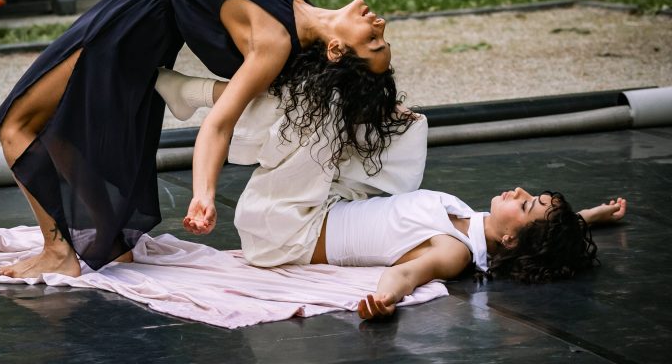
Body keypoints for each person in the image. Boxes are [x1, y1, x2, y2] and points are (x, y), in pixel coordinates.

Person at [0, 0, 413, 279]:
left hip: (135, 22)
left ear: (337, 50)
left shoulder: (274, 42)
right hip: (144, 12)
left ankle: (58, 252)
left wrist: (203, 194)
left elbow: (219, 125)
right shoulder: (297, 10)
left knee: (15, 123)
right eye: (381, 36)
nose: (379, 24)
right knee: (60, 126)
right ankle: (108, 241)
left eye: (374, 41)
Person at [158, 73, 628, 320]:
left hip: (284, 229)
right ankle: (244, 114)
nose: (521, 192)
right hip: (328, 205)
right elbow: (541, 238)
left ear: (509, 240)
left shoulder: (453, 251)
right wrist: (588, 217)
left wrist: (384, 299)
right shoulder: (477, 223)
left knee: (318, 110)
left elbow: (407, 273)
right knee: (410, 125)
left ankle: (193, 93)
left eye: (526, 205)